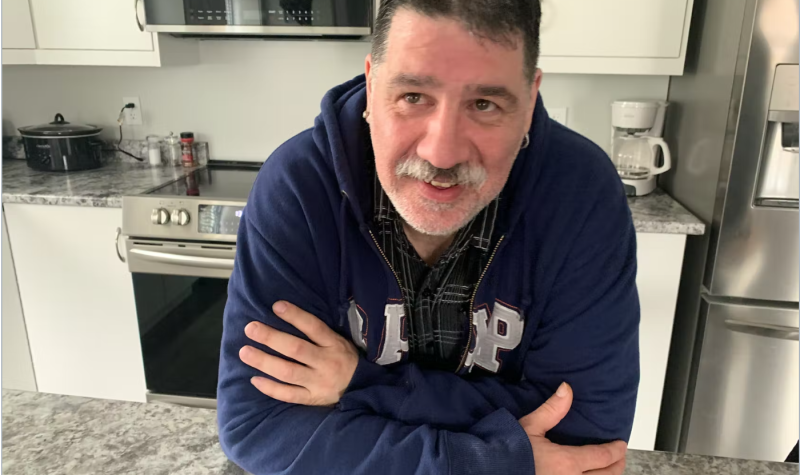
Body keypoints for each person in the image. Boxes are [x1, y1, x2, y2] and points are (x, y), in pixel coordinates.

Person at [217, 1, 640, 474]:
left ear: (530, 97)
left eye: (485, 104)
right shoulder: (300, 187)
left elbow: (582, 433)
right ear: (373, 83)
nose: (441, 153)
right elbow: (260, 427)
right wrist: (495, 461)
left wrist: (359, 385)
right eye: (414, 96)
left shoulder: (580, 193)